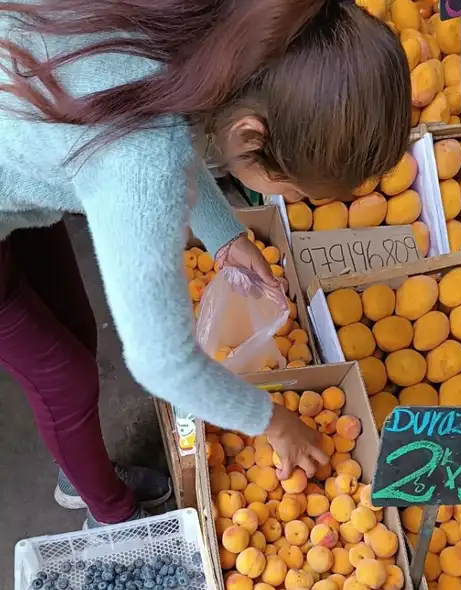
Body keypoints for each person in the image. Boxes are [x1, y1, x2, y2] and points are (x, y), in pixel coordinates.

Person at [0, 0, 411, 528]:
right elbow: (159, 363)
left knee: (73, 326)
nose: (292, 198)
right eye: (291, 187)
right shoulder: (140, 155)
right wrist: (272, 421)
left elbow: (171, 131)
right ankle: (109, 514)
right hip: (29, 137)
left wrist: (223, 237)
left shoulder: (217, 30)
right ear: (249, 136)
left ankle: (76, 463)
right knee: (66, 380)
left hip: (27, 140)